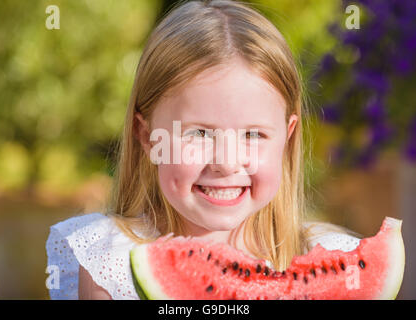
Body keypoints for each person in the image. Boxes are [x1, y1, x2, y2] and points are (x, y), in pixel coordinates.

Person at [45, 0, 361, 300]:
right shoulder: (110, 259)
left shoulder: (336, 260)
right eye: (198, 133)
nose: (225, 163)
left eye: (253, 134)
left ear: (287, 138)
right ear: (147, 136)